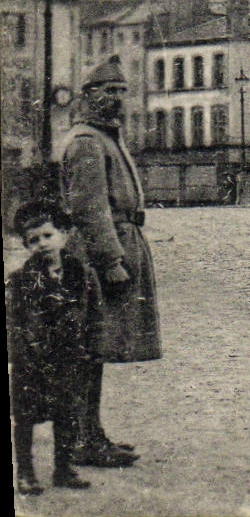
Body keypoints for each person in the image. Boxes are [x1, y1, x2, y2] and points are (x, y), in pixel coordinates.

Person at [61, 57, 159, 466]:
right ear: (88, 97)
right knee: (88, 348)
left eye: (121, 91)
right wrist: (111, 261)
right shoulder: (87, 142)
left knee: (95, 348)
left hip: (117, 244)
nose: (117, 99)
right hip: (99, 255)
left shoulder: (105, 138)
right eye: (108, 91)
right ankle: (84, 440)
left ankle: (90, 433)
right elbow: (89, 209)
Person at [7, 200, 96, 494]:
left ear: (64, 234)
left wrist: (92, 347)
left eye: (48, 235)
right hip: (32, 360)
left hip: (70, 357)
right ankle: (25, 472)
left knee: (67, 413)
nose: (42, 244)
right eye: (33, 240)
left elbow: (94, 315)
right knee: (25, 417)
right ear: (25, 245)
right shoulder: (20, 281)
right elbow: (14, 321)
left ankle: (64, 468)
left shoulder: (82, 275)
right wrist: (21, 352)